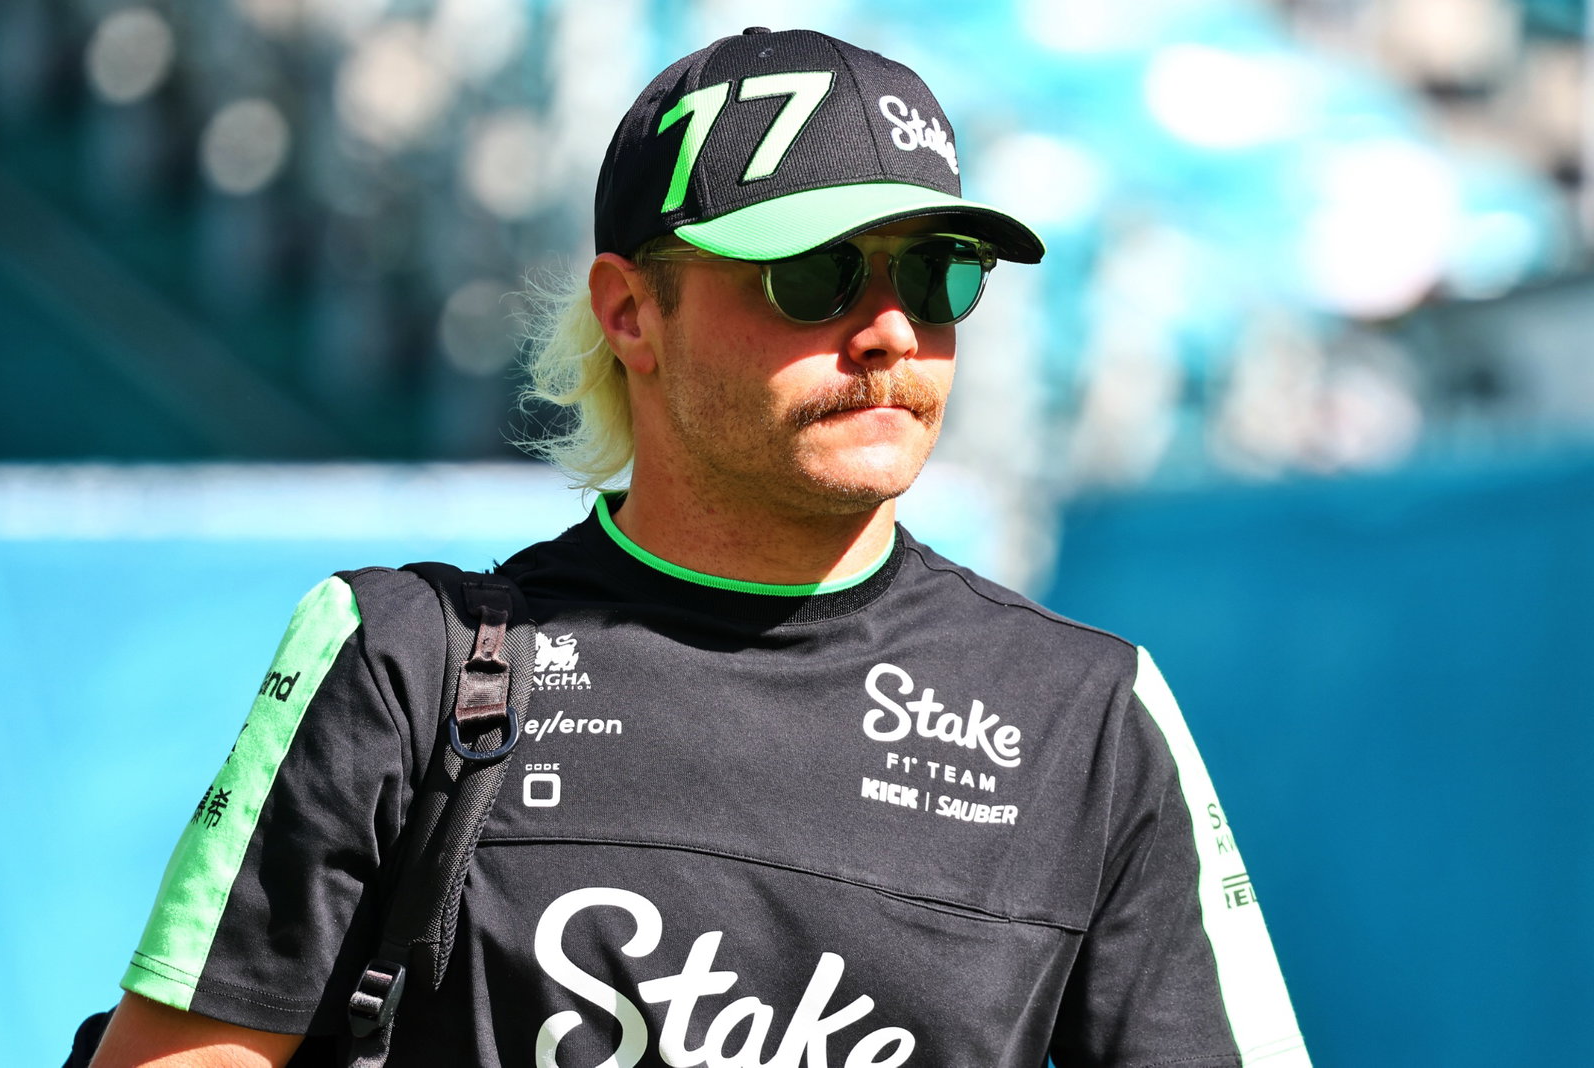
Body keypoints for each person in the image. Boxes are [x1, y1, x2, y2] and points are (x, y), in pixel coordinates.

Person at [89, 27, 1310, 1068]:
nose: (889, 329)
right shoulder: (402, 658)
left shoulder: (1089, 712)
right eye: (815, 276)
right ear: (630, 311)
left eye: (937, 278)